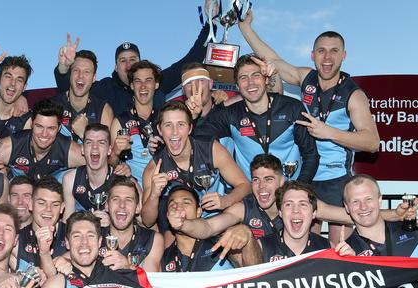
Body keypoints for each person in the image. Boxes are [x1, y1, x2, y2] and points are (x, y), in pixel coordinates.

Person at [238, 10, 380, 244]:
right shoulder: (306, 78)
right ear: (313, 55)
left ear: (343, 56)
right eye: (322, 51)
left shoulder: (353, 95)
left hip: (336, 179)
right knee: (302, 242)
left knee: (338, 246)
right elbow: (272, 61)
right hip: (306, 175)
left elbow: (372, 142)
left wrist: (329, 133)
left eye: (334, 51)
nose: (327, 57)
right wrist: (246, 29)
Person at [175, 154, 417, 245]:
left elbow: (353, 215)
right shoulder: (243, 208)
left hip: (294, 279)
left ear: (282, 182)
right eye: (256, 180)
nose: (261, 186)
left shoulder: (299, 203)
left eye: (269, 179)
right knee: (241, 238)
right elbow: (208, 226)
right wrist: (182, 224)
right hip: (258, 282)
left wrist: (395, 215)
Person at [53, 1, 213, 116]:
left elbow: (192, 58)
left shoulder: (156, 82)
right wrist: (64, 68)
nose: (128, 64)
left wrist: (210, 25)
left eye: (133, 59)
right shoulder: (103, 88)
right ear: (116, 67)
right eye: (123, 60)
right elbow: (71, 89)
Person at [194, 54, 319, 183]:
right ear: (237, 86)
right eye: (243, 78)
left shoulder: (292, 107)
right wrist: (193, 116)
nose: (250, 82)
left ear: (266, 79)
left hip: (288, 191)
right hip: (251, 194)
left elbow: (311, 154)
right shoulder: (229, 115)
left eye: (256, 75)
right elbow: (196, 139)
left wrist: (299, 188)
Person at [141, 101, 250, 235]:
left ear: (190, 128)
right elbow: (147, 221)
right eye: (168, 125)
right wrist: (154, 195)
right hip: (183, 225)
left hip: (218, 218)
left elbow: (245, 185)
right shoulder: (154, 168)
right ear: (160, 130)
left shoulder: (211, 150)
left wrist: (225, 201)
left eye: (181, 125)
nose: (174, 132)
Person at [0, 98, 85, 180]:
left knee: (72, 177)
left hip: (53, 190)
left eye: (51, 128)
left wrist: (83, 134)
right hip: (19, 190)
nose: (44, 134)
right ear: (31, 124)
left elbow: (97, 164)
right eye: (39, 126)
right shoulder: (11, 146)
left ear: (59, 128)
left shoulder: (67, 150)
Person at [63, 124, 131, 222]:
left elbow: (144, 222)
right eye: (89, 142)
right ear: (82, 149)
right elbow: (66, 225)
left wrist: (113, 223)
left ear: (109, 150)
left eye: (101, 143)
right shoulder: (71, 179)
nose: (95, 147)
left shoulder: (122, 179)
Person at [109, 60, 162, 183]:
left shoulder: (165, 119)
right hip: (131, 191)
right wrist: (115, 154)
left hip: (162, 190)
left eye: (148, 80)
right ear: (132, 85)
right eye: (138, 81)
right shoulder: (119, 122)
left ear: (156, 84)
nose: (143, 86)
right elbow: (109, 165)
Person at [101, 176, 163, 272]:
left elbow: (150, 283)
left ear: (138, 208)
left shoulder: (151, 239)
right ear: (107, 206)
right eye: (116, 199)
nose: (122, 205)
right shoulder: (94, 236)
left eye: (128, 200)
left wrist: (127, 266)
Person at [52, 50, 114, 143]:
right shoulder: (53, 105)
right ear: (70, 75)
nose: (80, 76)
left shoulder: (104, 110)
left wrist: (84, 133)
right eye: (76, 70)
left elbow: (106, 155)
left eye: (86, 72)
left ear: (94, 78)